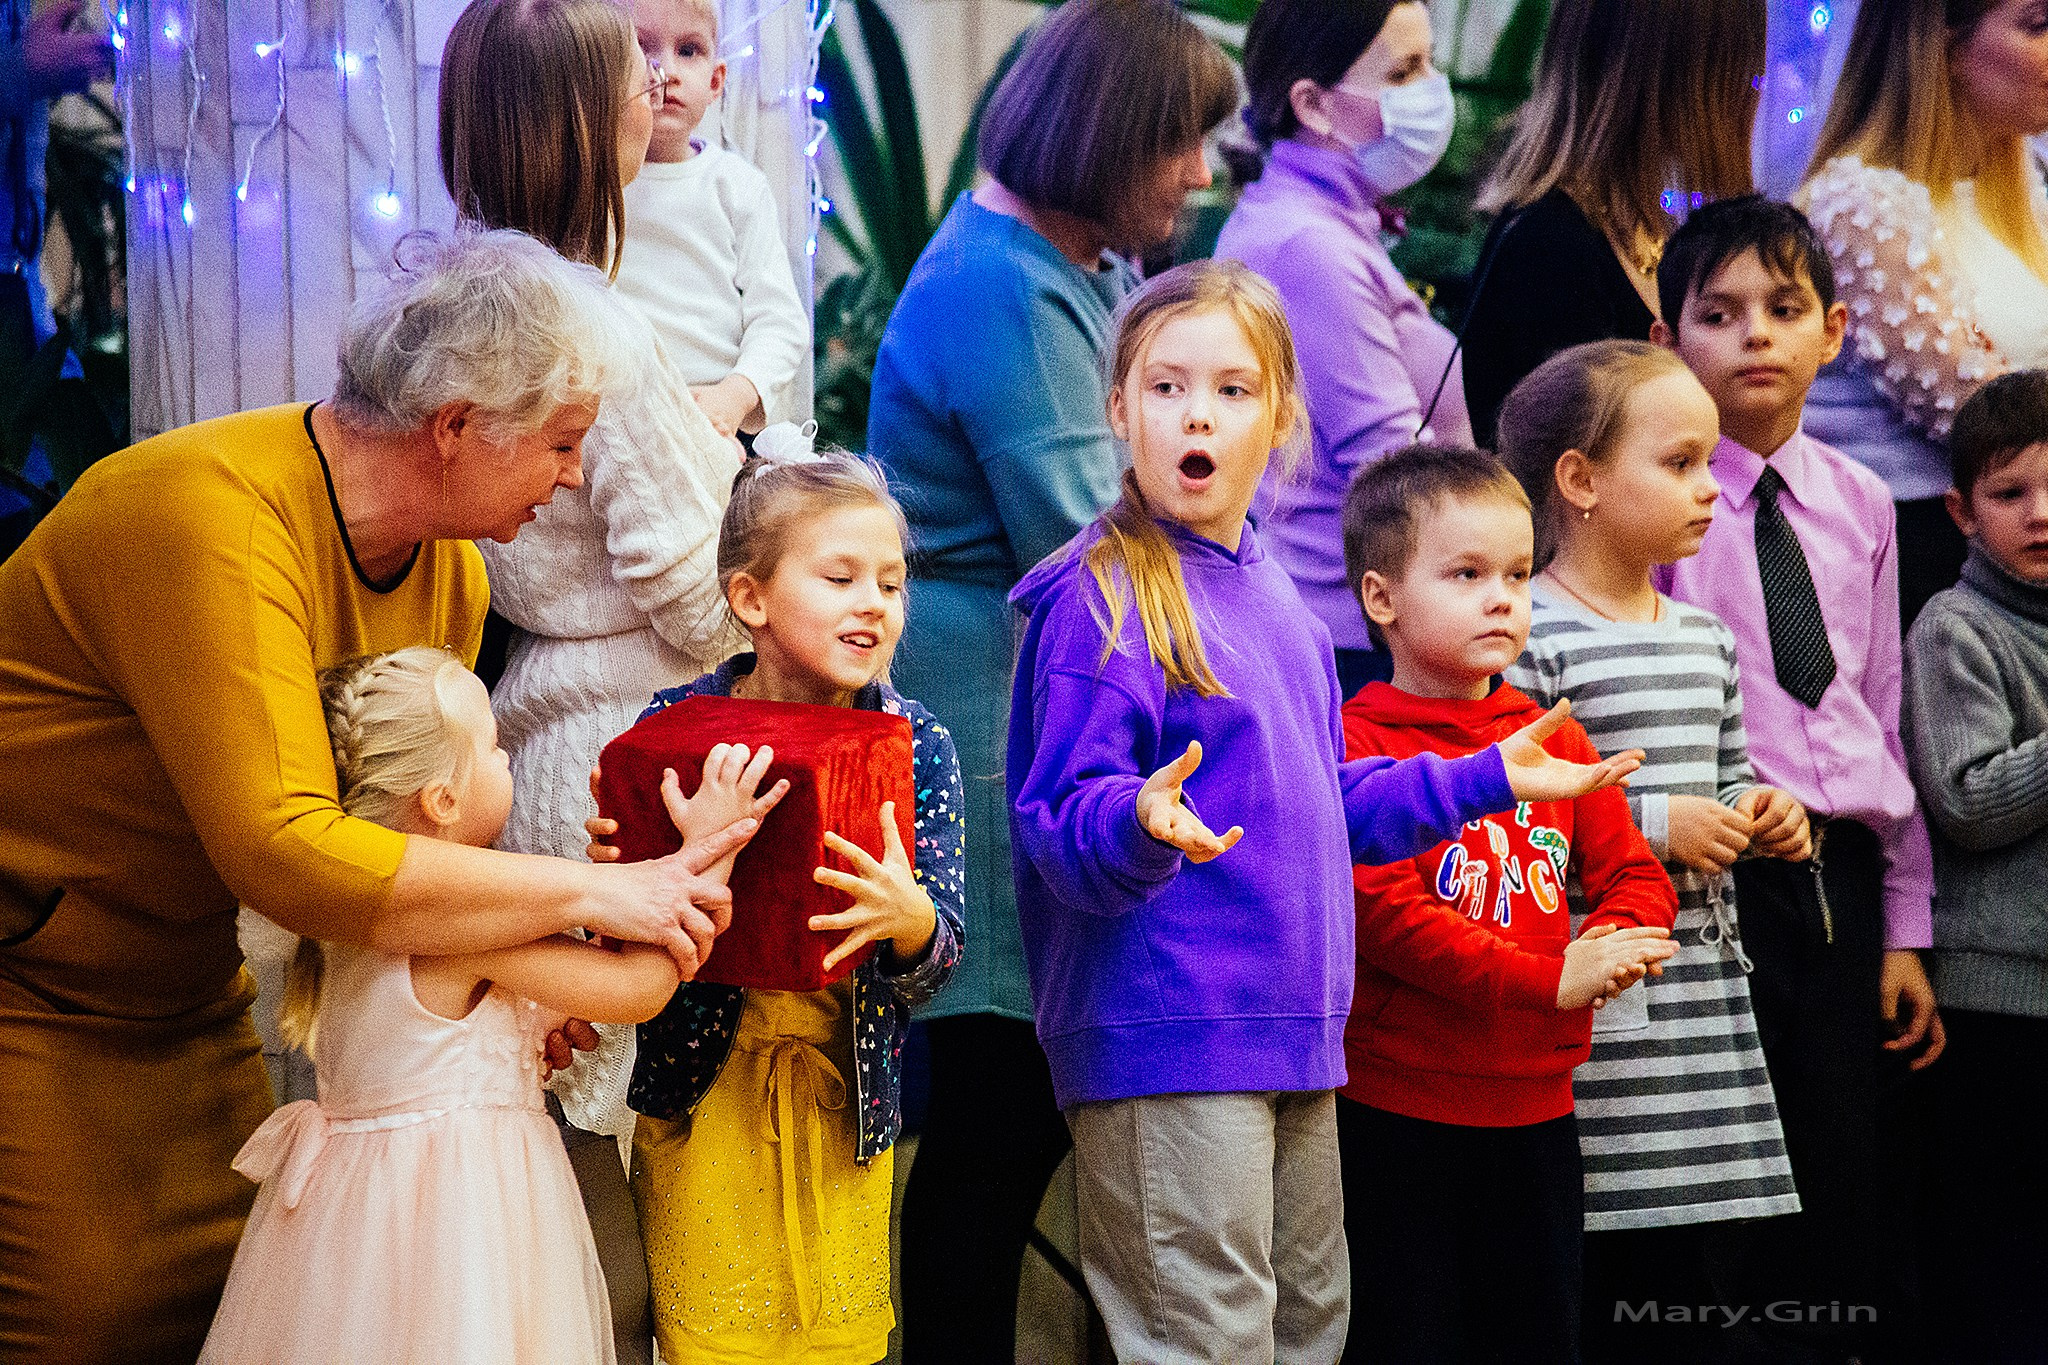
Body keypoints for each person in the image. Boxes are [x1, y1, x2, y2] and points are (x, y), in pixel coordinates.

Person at [0, 228, 752, 1364]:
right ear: (453, 427)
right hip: (36, 992)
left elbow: (394, 845)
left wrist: (504, 1000)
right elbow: (286, 851)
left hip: (189, 993)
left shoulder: (447, 565)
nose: (567, 479)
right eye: (559, 444)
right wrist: (606, 897)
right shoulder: (203, 517)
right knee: (82, 1326)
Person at [1005, 259, 1644, 1365]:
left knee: (1305, 1334)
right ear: (1117, 411)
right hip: (1168, 1038)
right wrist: (1133, 824)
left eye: (1231, 390)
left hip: (1297, 1037)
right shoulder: (1098, 596)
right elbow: (1058, 819)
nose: (1195, 413)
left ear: (1280, 419)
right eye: (1164, 388)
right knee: (1203, 1342)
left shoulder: (1275, 604)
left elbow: (1320, 805)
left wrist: (1485, 780)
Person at [864, 3, 1237, 1354]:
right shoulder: (1001, 285)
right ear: (1108, 135)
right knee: (995, 1118)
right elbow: (1097, 540)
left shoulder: (1053, 263)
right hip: (992, 718)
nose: (1200, 175)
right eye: (1181, 144)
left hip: (1027, 701)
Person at [437, 2, 745, 1352]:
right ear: (582, 122)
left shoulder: (458, 293)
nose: (655, 103)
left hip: (534, 729)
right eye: (633, 82)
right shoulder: (592, 328)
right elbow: (693, 582)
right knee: (626, 1147)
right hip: (633, 746)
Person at [586, 434, 966, 1364]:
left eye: (890, 582)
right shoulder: (671, 732)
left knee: (837, 1343)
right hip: (705, 1096)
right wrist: (632, 871)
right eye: (840, 577)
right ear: (749, 598)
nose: (873, 603)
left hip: (844, 1111)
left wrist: (907, 919)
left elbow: (944, 946)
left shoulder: (919, 744)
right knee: (714, 1339)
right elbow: (616, 932)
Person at [199, 648, 692, 1365]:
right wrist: (692, 851)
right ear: (443, 800)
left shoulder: (347, 919)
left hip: (355, 1229)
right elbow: (641, 990)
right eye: (493, 746)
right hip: (462, 1229)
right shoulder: (455, 930)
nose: (508, 760)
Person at [1652, 195, 1942, 1360]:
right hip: (1722, 875)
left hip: (1847, 872)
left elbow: (1878, 711)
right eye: (1716, 315)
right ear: (1669, 338)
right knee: (1722, 1180)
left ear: (1830, 331)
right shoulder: (1660, 501)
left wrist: (1904, 928)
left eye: (1780, 311)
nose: (1752, 337)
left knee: (1839, 1165)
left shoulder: (1862, 501)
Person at [1496, 342, 1808, 1362]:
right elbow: (1515, 826)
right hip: (1604, 1023)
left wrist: (1756, 809)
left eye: (1707, 464)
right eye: (1676, 464)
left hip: (1702, 1014)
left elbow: (1724, 772)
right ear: (1578, 481)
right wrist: (1658, 824)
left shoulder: (1701, 636)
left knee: (1702, 1282)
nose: (1708, 490)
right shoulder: (1529, 635)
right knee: (1602, 1280)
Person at [1336, 442, 1679, 1364]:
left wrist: (1611, 941)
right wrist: (1550, 976)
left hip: (1536, 1112)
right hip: (1398, 1112)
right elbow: (1388, 919)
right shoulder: (1354, 739)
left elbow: (1636, 876)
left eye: (1520, 574)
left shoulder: (1548, 731)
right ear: (1381, 598)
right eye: (1467, 573)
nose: (1503, 597)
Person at [1215, 0, 1470, 696]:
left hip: (1361, 623)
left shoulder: (1324, 221)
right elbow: (1392, 469)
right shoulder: (1308, 246)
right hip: (1352, 643)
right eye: (1405, 71)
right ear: (1314, 105)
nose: (1432, 91)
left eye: (1430, 64)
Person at [1800, 0, 2048, 628]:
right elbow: (1980, 414)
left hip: (2015, 540)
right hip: (1920, 557)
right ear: (1943, 36)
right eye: (2038, 25)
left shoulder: (2021, 190)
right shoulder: (1860, 204)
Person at [1902, 370, 2048, 1364]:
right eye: (2009, 493)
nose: (2040, 515)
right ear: (1959, 510)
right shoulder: (1954, 630)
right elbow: (1965, 802)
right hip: (2002, 1005)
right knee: (2001, 1259)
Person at [1459, 0, 1763, 447]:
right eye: (1744, 68)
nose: (1756, 90)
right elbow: (1577, 478)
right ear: (1688, 80)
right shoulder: (1550, 249)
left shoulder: (1638, 222)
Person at [618, 0, 808, 436]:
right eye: (641, 49)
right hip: (623, 422)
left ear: (716, 79)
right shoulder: (594, 184)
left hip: (720, 417)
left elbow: (779, 319)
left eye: (687, 50)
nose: (663, 71)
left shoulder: (738, 186)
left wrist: (736, 395)